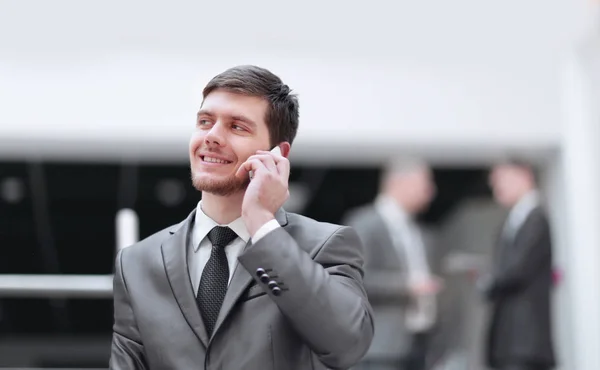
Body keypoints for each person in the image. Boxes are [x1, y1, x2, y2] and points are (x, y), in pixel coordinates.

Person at [109, 65, 374, 369]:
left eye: (237, 127)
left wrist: (262, 222)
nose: (212, 137)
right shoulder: (136, 263)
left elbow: (347, 345)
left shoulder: (324, 246)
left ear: (278, 153)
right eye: (205, 122)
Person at [343, 160, 442, 370]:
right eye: (424, 183)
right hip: (380, 346)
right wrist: (408, 286)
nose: (430, 192)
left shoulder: (418, 231)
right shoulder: (365, 223)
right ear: (399, 182)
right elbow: (354, 278)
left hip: (417, 342)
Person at [479, 160, 556, 370]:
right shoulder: (512, 221)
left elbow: (516, 270)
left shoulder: (536, 219)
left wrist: (487, 281)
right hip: (508, 343)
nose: (496, 188)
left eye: (500, 180)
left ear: (524, 175)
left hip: (525, 342)